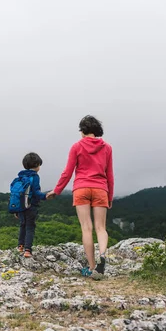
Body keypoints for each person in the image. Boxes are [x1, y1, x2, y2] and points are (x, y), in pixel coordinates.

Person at [47, 115, 114, 279]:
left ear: (83, 131)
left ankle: (92, 268)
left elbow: (68, 172)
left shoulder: (76, 147)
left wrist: (56, 190)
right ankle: (103, 255)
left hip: (81, 188)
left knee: (86, 228)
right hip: (100, 189)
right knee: (101, 228)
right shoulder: (107, 148)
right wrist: (109, 196)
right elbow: (109, 175)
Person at [15, 152, 49, 258]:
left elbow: (17, 194)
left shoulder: (20, 177)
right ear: (37, 164)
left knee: (22, 225)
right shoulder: (35, 176)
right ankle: (28, 250)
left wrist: (16, 209)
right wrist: (46, 196)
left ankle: (20, 246)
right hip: (31, 206)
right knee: (30, 227)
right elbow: (36, 192)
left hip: (20, 207)